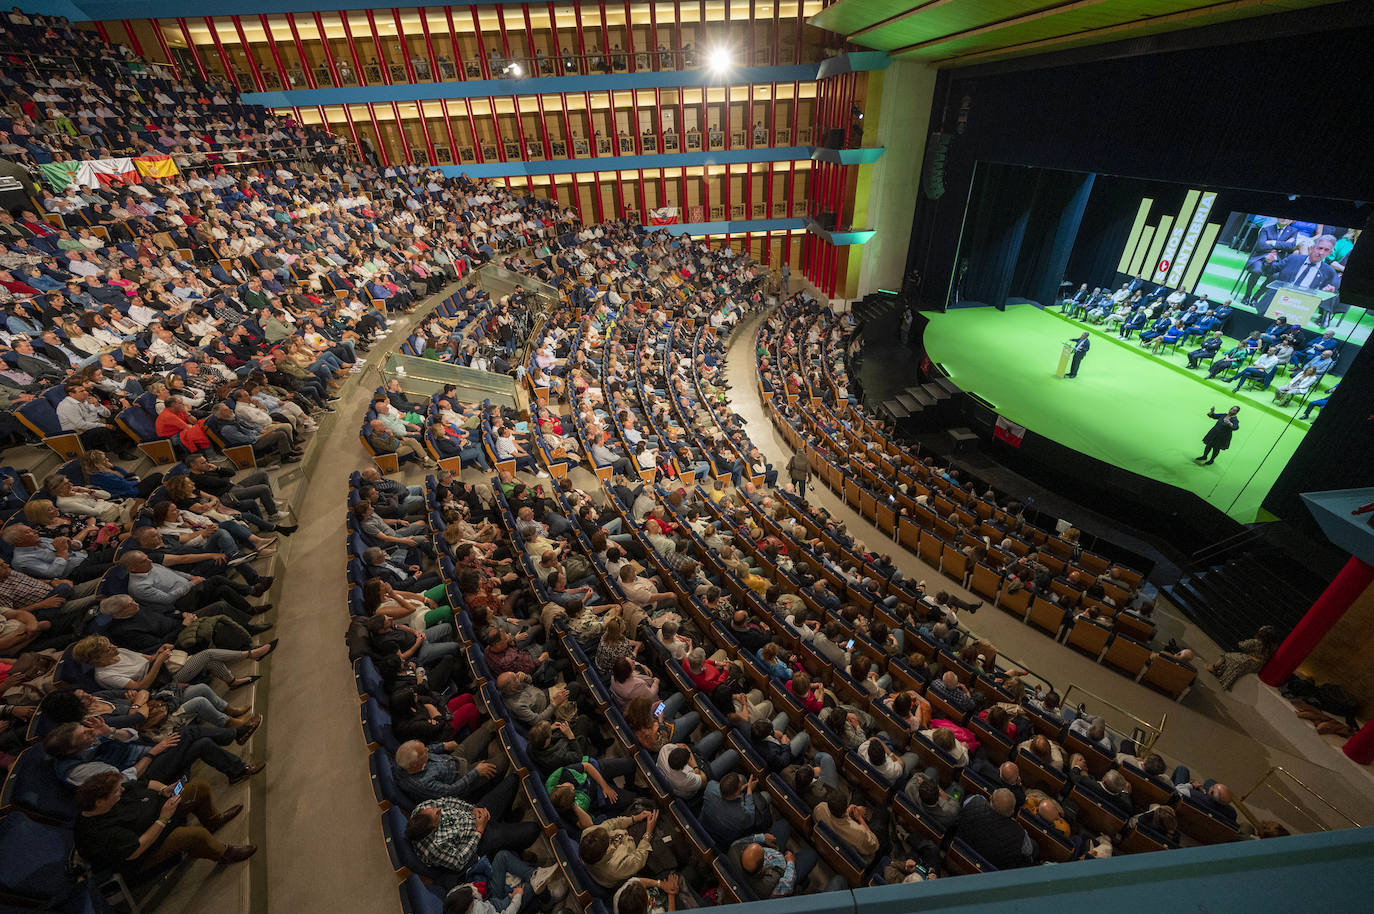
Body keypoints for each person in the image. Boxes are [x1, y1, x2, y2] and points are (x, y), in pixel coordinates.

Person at [73, 770, 255, 875]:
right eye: (116, 791)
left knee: (198, 788)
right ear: (99, 802)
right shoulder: (97, 832)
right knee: (193, 835)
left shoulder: (116, 794)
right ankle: (224, 854)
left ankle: (213, 821)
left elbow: (146, 783)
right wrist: (163, 818)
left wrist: (164, 790)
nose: (121, 790)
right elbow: (136, 849)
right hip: (145, 852)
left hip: (161, 813)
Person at [1205, 625, 1281, 690]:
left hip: (1248, 661)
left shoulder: (1256, 642)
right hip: (1258, 666)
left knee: (1226, 656)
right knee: (1237, 657)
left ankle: (1214, 668)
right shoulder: (1273, 647)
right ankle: (1220, 671)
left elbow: (1242, 645)